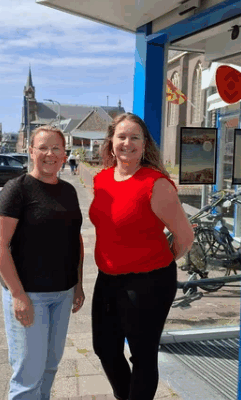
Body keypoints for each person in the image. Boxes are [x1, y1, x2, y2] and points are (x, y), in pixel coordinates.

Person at [89, 113, 194, 400]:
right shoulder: (101, 180)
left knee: (142, 354)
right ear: (111, 142)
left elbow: (185, 237)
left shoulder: (156, 184)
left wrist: (154, 262)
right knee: (105, 348)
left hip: (148, 282)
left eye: (135, 137)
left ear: (145, 144)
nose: (127, 143)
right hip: (107, 278)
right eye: (121, 136)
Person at [0, 126, 86, 400]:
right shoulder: (17, 189)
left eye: (56, 148)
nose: (50, 154)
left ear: (64, 155)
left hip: (63, 294)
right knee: (28, 375)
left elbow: (75, 240)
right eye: (43, 147)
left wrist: (78, 284)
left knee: (49, 367)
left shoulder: (68, 191)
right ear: (31, 151)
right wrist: (17, 295)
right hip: (30, 295)